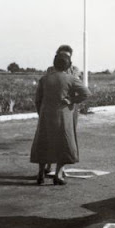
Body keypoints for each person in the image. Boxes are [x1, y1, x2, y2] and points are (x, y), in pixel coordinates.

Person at [30, 53, 92, 185]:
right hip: (63, 116)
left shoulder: (44, 79)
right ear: (69, 65)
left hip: (46, 115)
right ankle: (58, 174)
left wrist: (41, 113)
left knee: (43, 143)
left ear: (54, 64)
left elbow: (37, 100)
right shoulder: (71, 79)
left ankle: (40, 173)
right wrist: (71, 100)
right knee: (64, 144)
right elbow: (86, 93)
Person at [44, 45, 82, 178]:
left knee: (66, 136)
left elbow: (77, 86)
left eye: (67, 55)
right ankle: (48, 164)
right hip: (53, 107)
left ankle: (61, 167)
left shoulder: (74, 70)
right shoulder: (50, 70)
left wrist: (71, 99)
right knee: (49, 135)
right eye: (62, 54)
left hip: (69, 107)